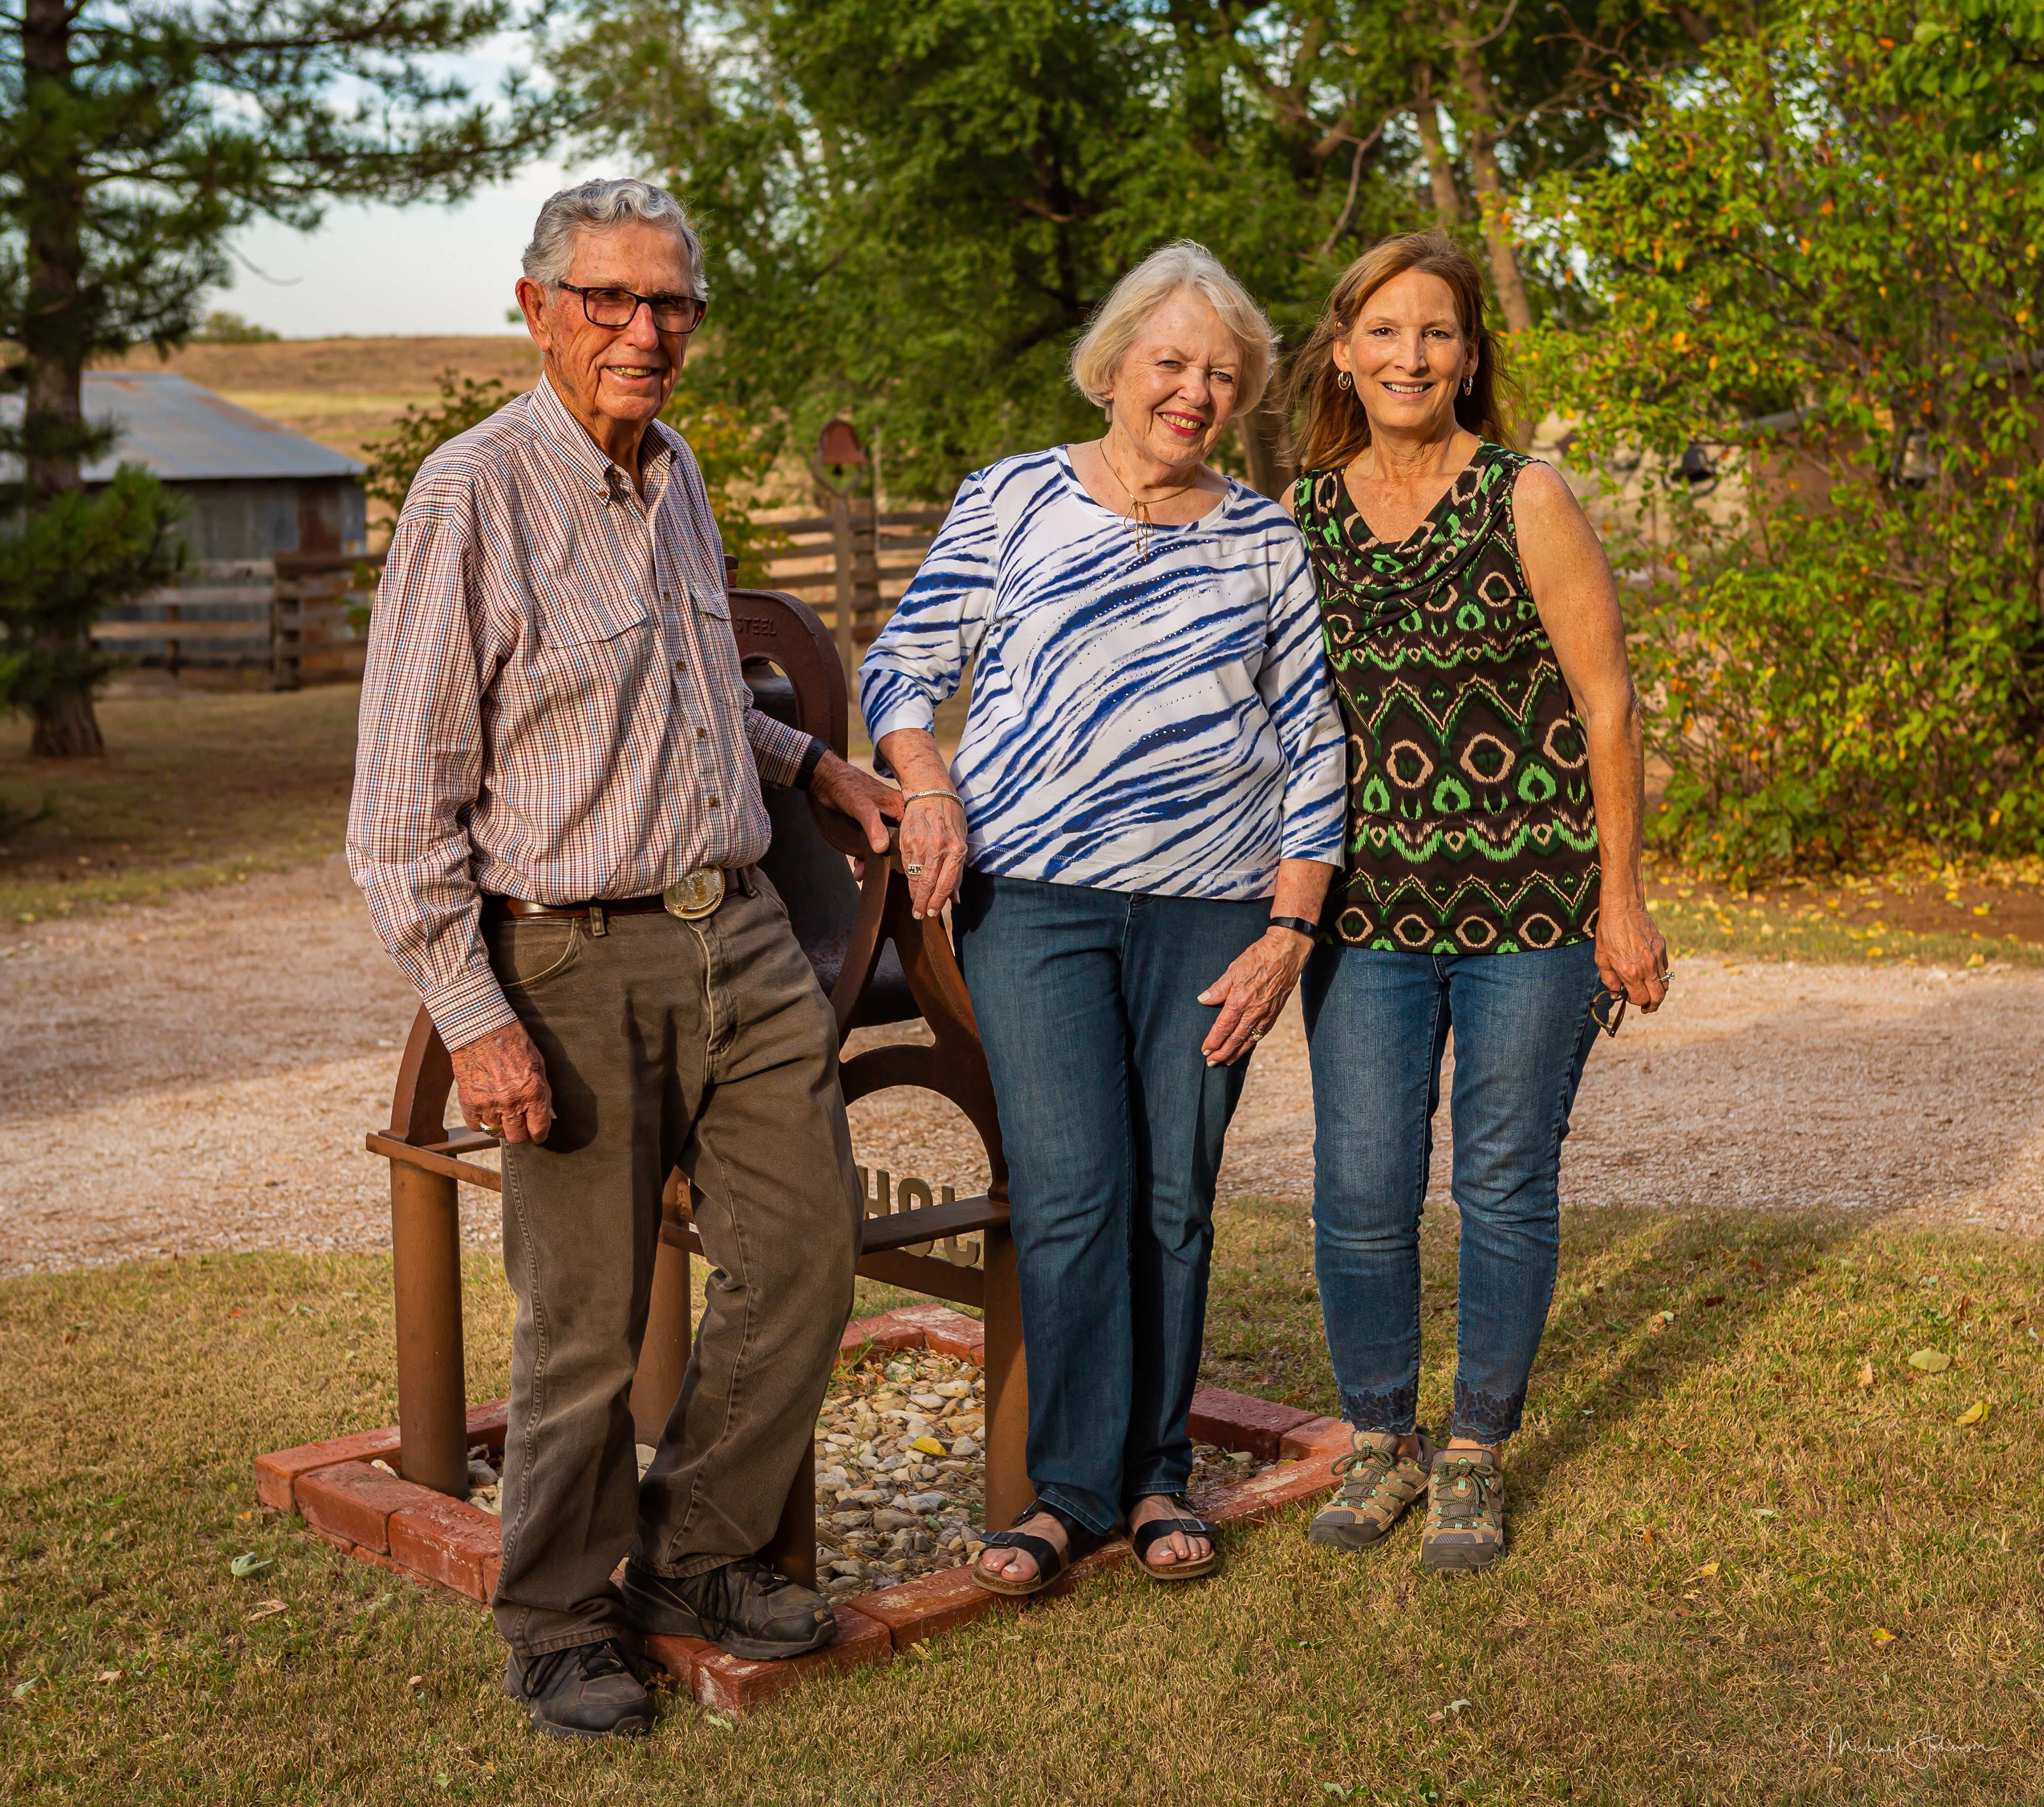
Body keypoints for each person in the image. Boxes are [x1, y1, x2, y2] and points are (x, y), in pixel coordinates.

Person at [347, 177, 902, 1740]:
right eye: (610, 300)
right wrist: (478, 1013)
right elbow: (397, 818)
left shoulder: (679, 476)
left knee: (806, 1254)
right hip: (570, 960)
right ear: (537, 309)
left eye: (670, 305)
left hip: (733, 930)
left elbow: (692, 699)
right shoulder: (471, 496)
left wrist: (809, 769)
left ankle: (694, 1554)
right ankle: (555, 1616)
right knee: (581, 1325)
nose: (644, 332)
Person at [860, 241, 1345, 1594]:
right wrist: (926, 781)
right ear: (1117, 365)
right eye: (1172, 362)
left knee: (1174, 1198)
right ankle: (1066, 1489)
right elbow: (906, 660)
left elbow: (1314, 737)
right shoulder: (1012, 496)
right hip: (1038, 905)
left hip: (1214, 913)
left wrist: (1291, 926)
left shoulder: (1266, 536)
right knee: (1076, 1192)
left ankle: (1156, 1470)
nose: (1194, 392)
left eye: (1222, 375)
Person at [1285, 232, 1670, 1572]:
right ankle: (1381, 1439)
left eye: (1437, 332)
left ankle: (1473, 1455)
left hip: (1535, 909)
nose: (1410, 356)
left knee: (1504, 1186)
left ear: (1469, 355)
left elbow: (1608, 701)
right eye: (1383, 331)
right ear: (1342, 350)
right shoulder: (1303, 514)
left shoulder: (1528, 495)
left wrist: (1621, 897)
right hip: (1366, 916)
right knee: (1361, 1190)